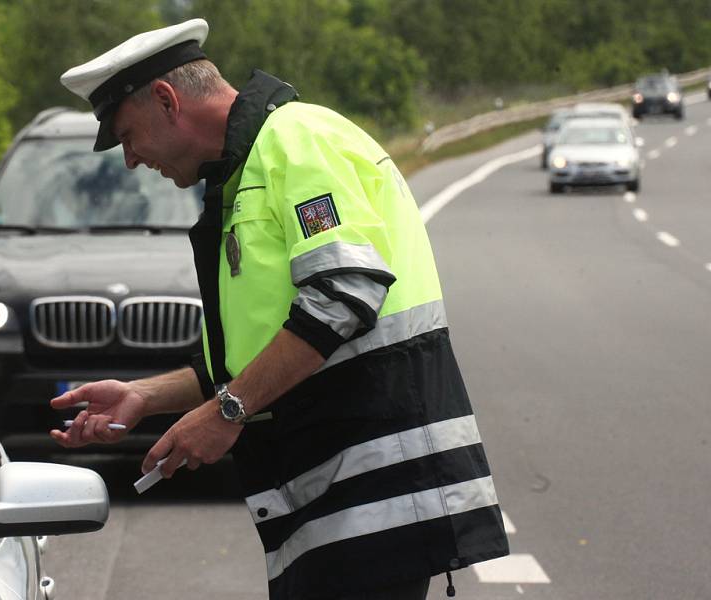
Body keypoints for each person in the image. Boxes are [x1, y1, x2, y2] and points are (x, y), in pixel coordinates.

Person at [56, 18, 509, 600]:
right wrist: (146, 397)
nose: (131, 160)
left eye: (127, 136)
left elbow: (344, 292)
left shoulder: (296, 140)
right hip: (335, 498)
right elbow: (256, 350)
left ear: (167, 101)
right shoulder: (245, 174)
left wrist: (225, 413)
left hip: (380, 494)